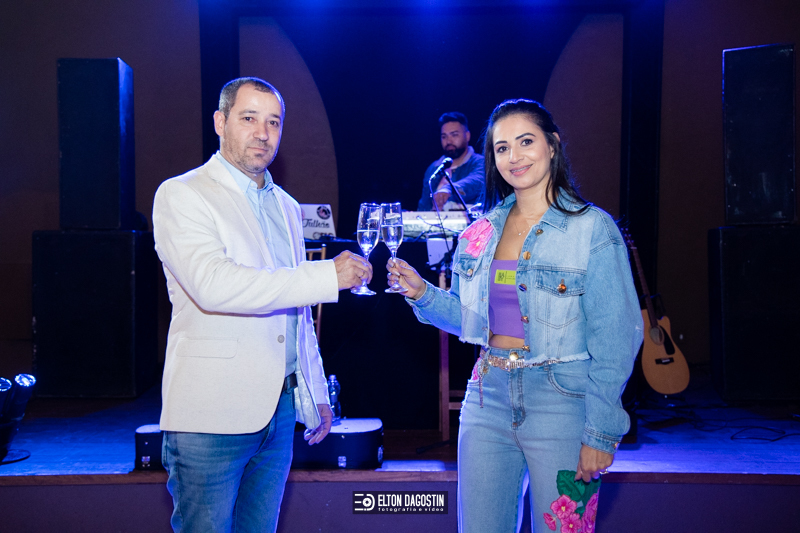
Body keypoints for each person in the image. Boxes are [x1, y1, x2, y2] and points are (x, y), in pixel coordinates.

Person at [389, 99, 643, 532]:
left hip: (562, 401)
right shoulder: (480, 232)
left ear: (552, 145)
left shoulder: (592, 229)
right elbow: (470, 320)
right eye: (502, 148)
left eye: (526, 142)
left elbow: (617, 338)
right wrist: (422, 293)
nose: (514, 157)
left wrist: (602, 432)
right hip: (487, 399)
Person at [152, 77, 372, 533]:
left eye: (273, 122)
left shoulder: (287, 206)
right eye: (249, 118)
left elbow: (295, 313)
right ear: (220, 122)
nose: (262, 133)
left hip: (279, 411)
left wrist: (314, 391)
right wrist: (326, 275)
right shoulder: (182, 194)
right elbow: (214, 285)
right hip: (210, 414)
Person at [418, 112, 485, 211]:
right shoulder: (433, 169)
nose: (448, 141)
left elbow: (477, 181)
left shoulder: (480, 162)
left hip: (471, 220)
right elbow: (424, 207)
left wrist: (449, 189)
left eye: (454, 135)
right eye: (444, 136)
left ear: (467, 136)